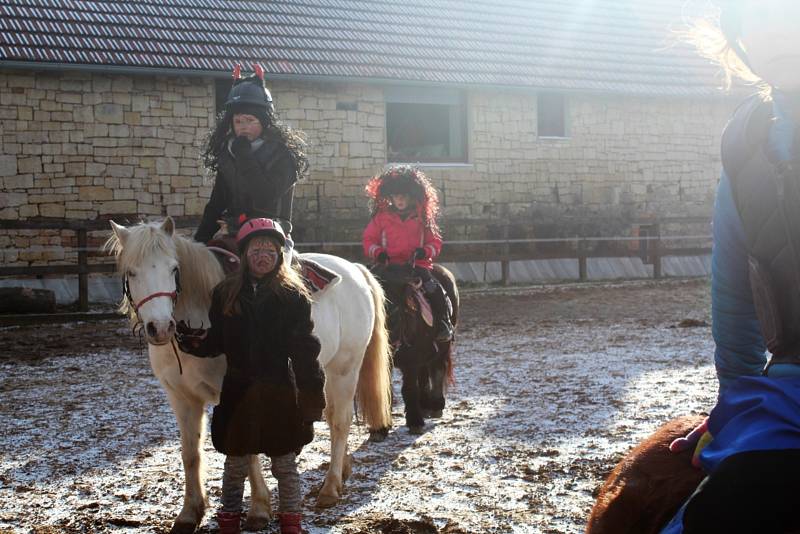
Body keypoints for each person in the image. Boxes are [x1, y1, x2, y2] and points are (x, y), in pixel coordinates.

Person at [662, 1, 800, 532]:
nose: (775, 29)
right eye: (756, 16)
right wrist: (736, 406)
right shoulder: (746, 145)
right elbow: (734, 287)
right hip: (792, 390)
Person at [176, 218, 325, 534]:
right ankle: (229, 521)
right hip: (238, 394)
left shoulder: (292, 297)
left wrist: (311, 396)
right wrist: (193, 342)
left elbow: (304, 349)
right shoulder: (225, 293)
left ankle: (291, 522)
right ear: (244, 255)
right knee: (235, 466)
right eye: (257, 249)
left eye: (270, 250)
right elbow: (217, 341)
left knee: (285, 467)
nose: (263, 255)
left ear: (279, 256)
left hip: (279, 393)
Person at [194, 64, 309, 251]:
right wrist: (198, 244)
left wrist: (244, 155)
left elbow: (265, 196)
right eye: (238, 121)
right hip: (233, 232)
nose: (243, 127)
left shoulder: (283, 155)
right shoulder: (228, 155)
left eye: (250, 120)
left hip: (273, 234)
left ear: (264, 121)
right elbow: (216, 205)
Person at [362, 165, 454, 342]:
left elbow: (435, 242)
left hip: (416, 266)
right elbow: (368, 240)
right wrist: (378, 253)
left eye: (403, 196)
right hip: (388, 265)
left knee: (433, 288)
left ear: (411, 197)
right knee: (366, 288)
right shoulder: (381, 218)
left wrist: (424, 252)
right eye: (396, 196)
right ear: (391, 198)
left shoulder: (423, 219)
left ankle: (444, 323)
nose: (400, 199)